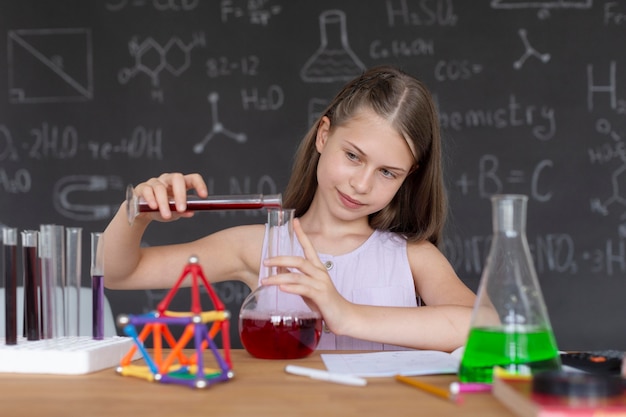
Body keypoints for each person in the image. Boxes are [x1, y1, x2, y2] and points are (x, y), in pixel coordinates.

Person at [103, 65, 476, 352]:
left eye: (387, 173)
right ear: (324, 135)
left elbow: (487, 328)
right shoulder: (259, 248)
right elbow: (116, 274)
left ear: (408, 176)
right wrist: (136, 213)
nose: (361, 184)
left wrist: (346, 314)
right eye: (352, 156)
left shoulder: (413, 257)